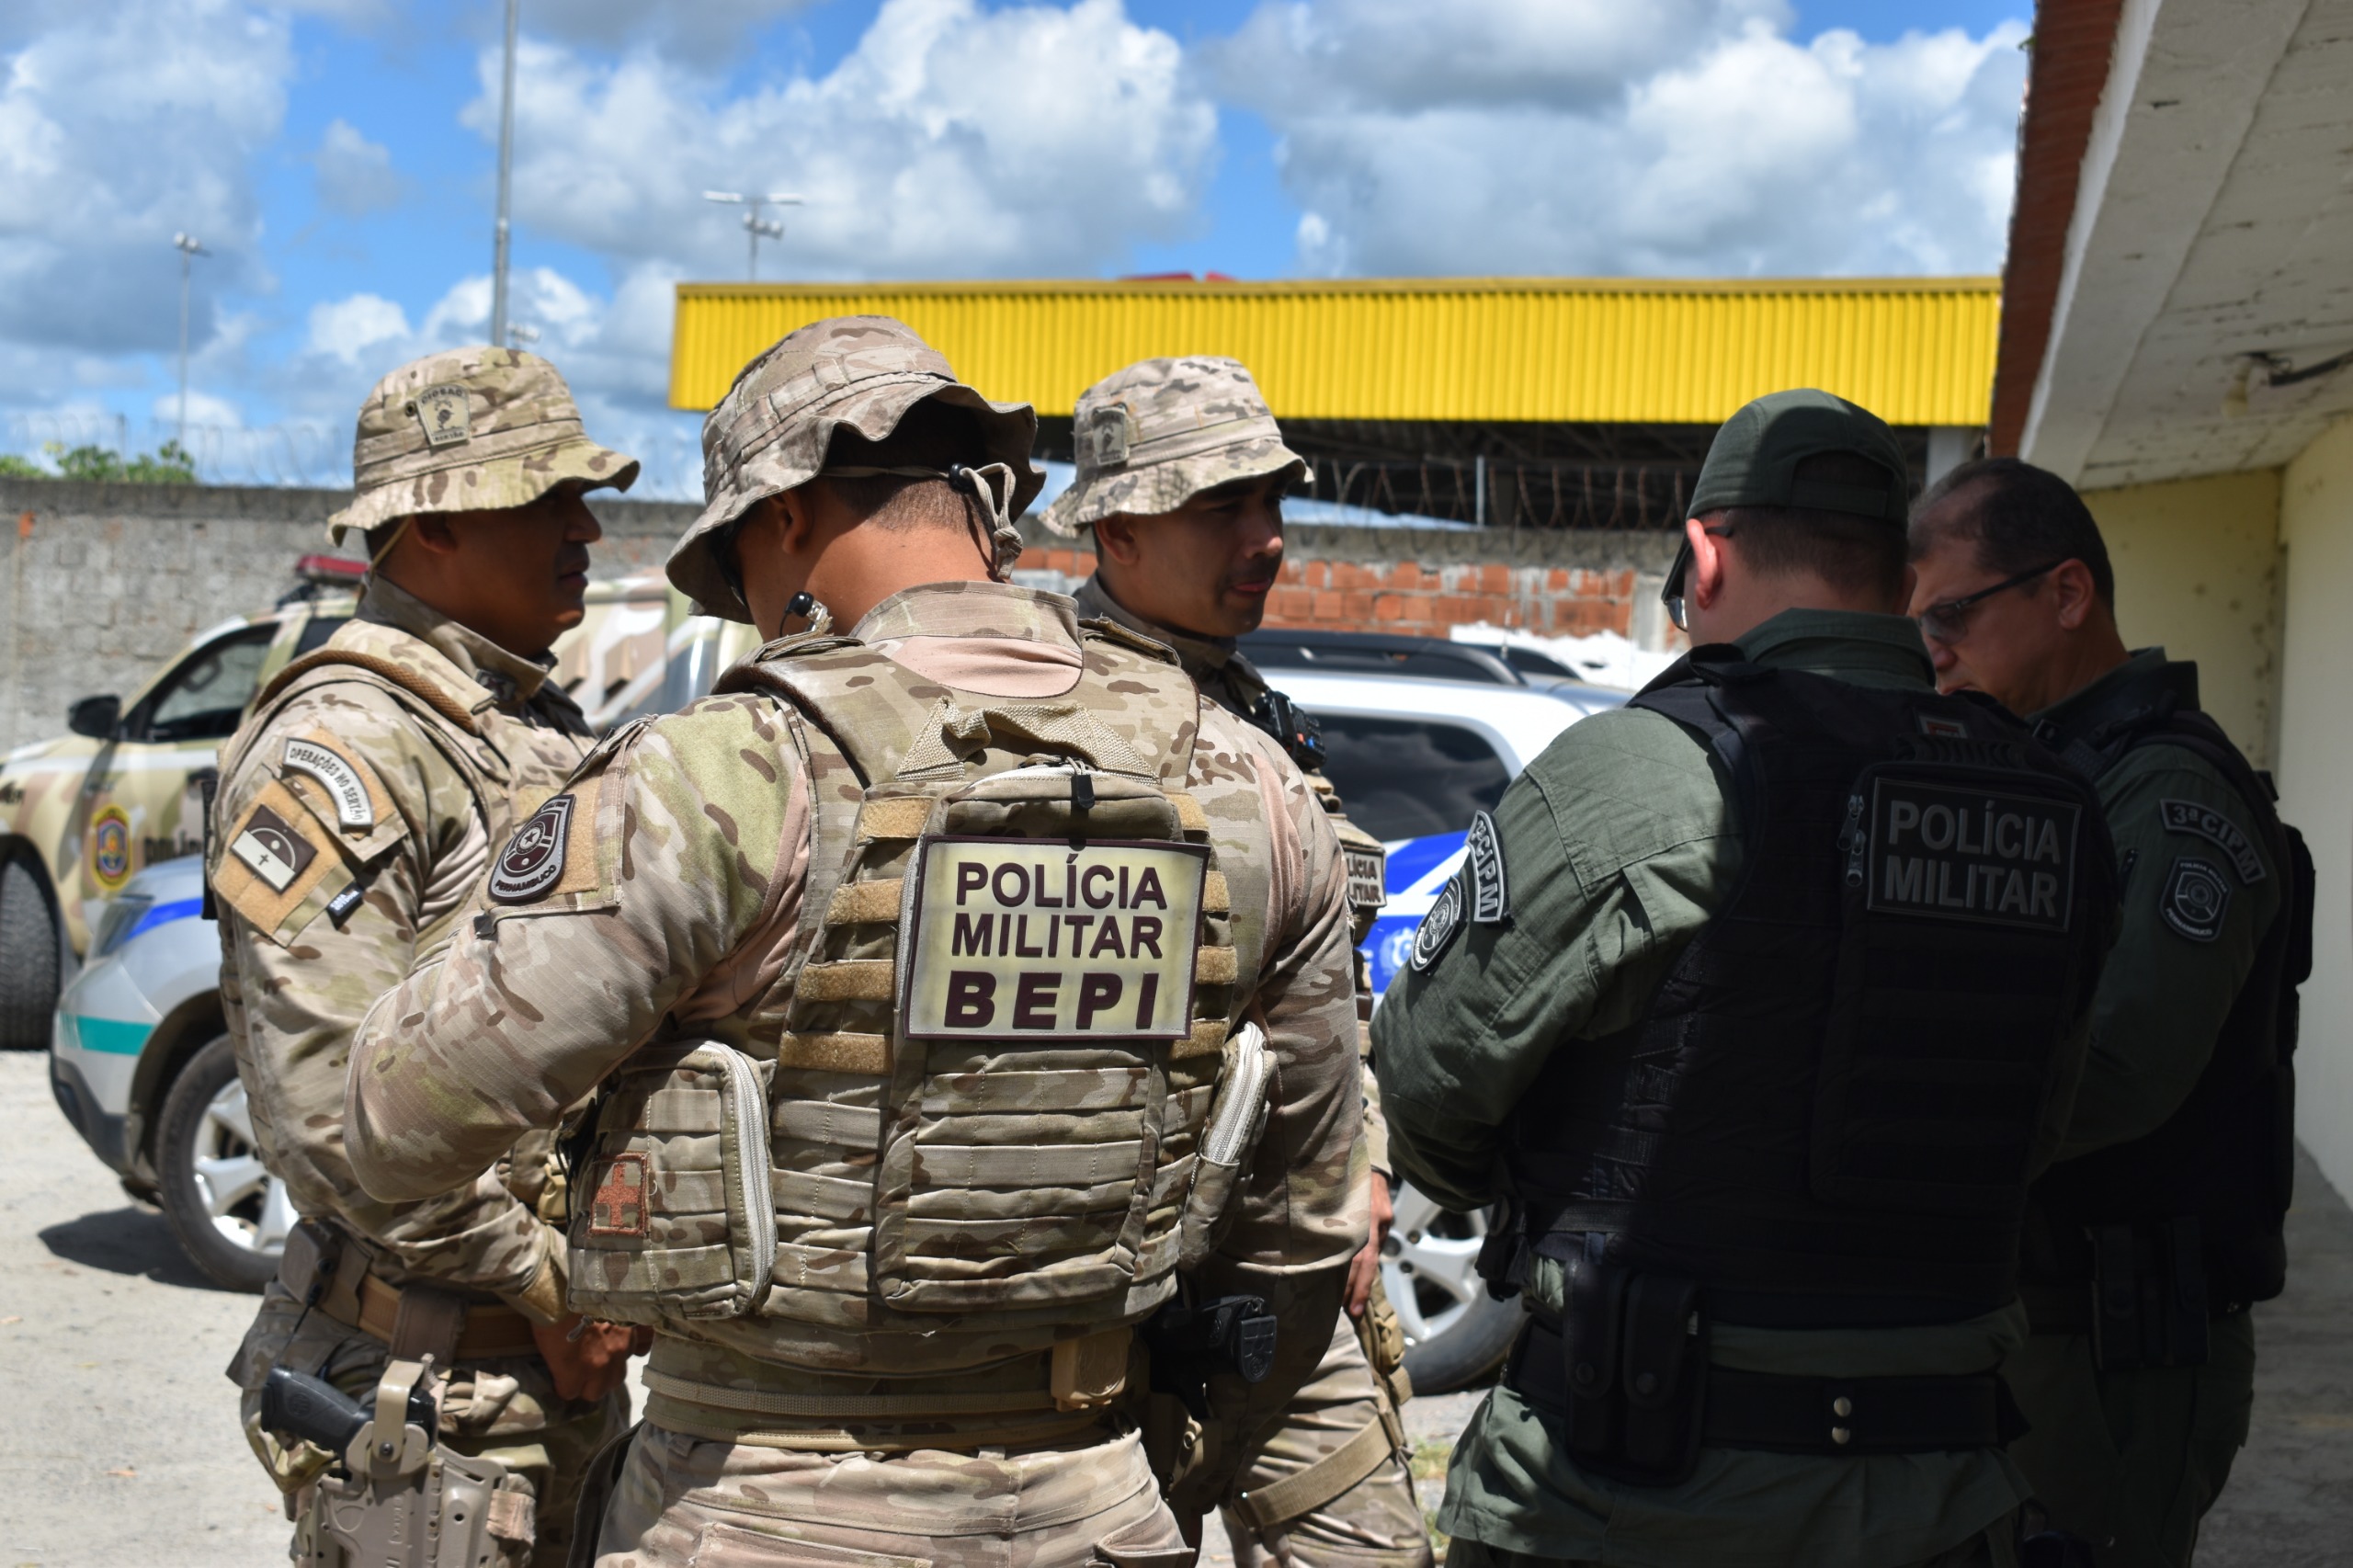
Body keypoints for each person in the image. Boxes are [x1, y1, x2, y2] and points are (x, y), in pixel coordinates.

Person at [340, 316, 1370, 1566]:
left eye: (740, 577)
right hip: (1096, 1509)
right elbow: (1304, 1229)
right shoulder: (1245, 780)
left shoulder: (721, 772)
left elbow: (396, 1124)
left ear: (782, 517)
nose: (760, 619)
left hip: (756, 1508)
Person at [1372, 389, 2123, 1567]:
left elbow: (1425, 1090)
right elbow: (2038, 1122)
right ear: (1896, 571)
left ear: (1706, 553)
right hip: (1942, 1490)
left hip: (1639, 1490)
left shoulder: (1640, 772)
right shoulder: (2055, 807)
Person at [211, 346, 644, 1568]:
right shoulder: (340, 746)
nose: (587, 527)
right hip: (430, 1398)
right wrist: (546, 1281)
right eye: (545, 496)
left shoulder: (515, 727)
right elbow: (327, 1116)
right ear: (435, 522)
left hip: (539, 1378)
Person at [1042, 355, 1427, 1568]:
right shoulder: (1037, 714)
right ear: (1115, 525)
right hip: (1102, 1281)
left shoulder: (1259, 718)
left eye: (1273, 502)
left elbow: (1325, 999)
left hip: (1285, 1268)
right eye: (1222, 505)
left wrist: (1356, 1169)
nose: (1264, 538)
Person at [1907, 458, 2310, 1566]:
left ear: (2067, 593)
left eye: (1950, 613)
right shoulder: (2047, 771)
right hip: (2036, 1313)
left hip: (2121, 1345)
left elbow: (2124, 1063)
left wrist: (1900, 1118)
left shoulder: (2171, 795)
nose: (1930, 647)